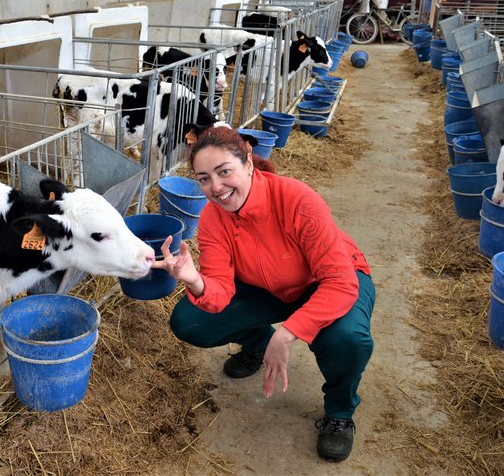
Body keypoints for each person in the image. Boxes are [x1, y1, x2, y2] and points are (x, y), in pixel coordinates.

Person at [152, 126, 375, 463]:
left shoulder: (296, 199)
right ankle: (259, 345)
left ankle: (340, 412)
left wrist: (288, 334)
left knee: (346, 339)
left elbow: (340, 282)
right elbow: (220, 291)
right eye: (203, 178)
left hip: (328, 281)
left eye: (224, 172)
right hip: (268, 287)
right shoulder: (213, 216)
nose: (216, 187)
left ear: (249, 165)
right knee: (191, 321)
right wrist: (193, 278)